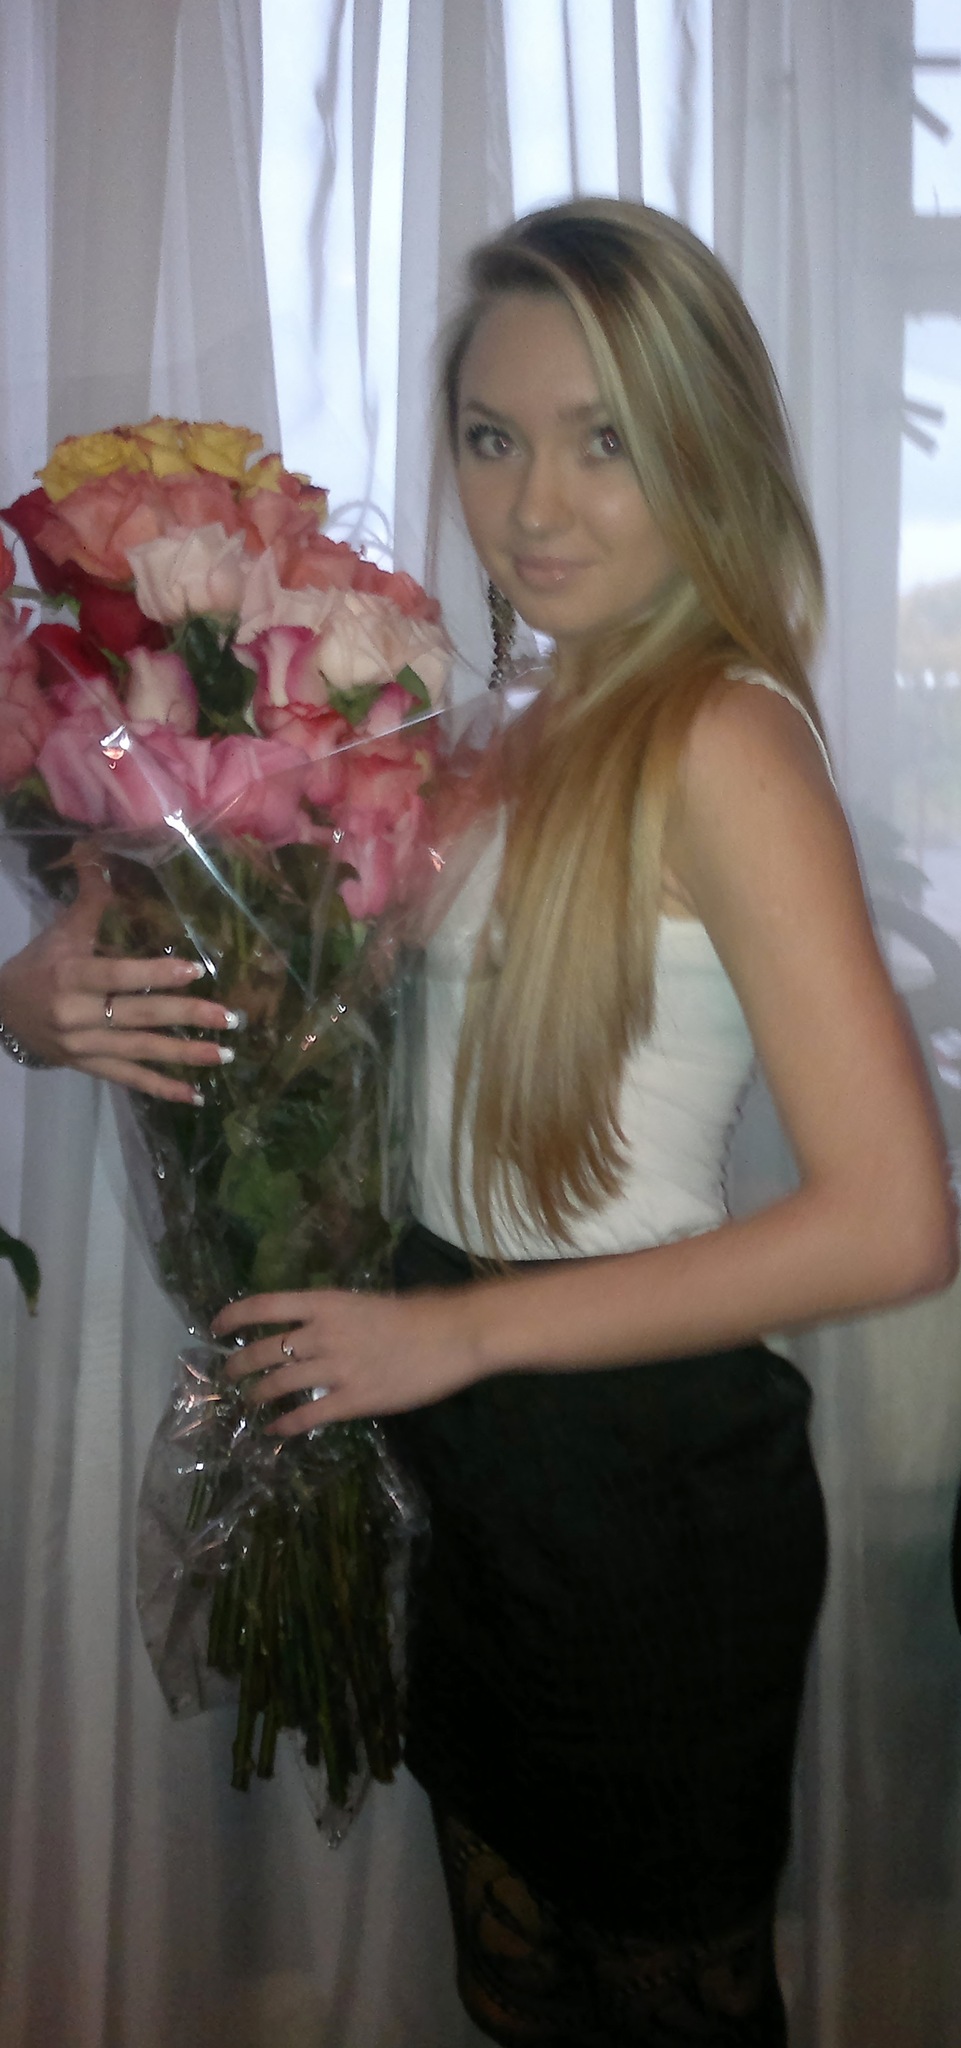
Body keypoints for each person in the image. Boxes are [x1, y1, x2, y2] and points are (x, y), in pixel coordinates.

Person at [0, 200, 956, 2045]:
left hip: (638, 1484)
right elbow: (277, 993)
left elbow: (891, 1222)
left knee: (661, 2003)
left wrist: (455, 1336)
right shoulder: (495, 728)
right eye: (493, 436)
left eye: (606, 440)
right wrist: (37, 1001)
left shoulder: (718, 738)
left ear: (707, 444)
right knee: (515, 1986)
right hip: (476, 1446)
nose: (534, 505)